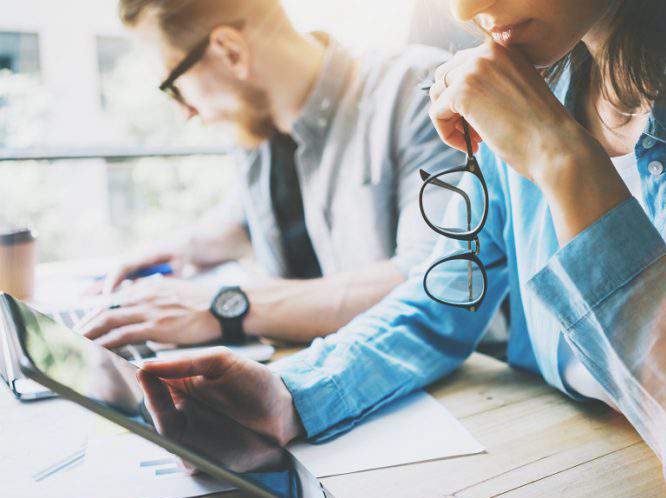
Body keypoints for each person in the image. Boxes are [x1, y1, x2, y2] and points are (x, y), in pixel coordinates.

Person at [137, 1, 666, 498]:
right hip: (550, 454)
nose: (467, 11)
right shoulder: (529, 84)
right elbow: (441, 299)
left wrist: (561, 158)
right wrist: (291, 394)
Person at [80, 0, 464, 348]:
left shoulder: (420, 91)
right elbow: (242, 223)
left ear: (231, 51)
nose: (186, 111)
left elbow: (435, 280)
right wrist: (175, 255)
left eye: (174, 86)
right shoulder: (257, 129)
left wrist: (226, 305)